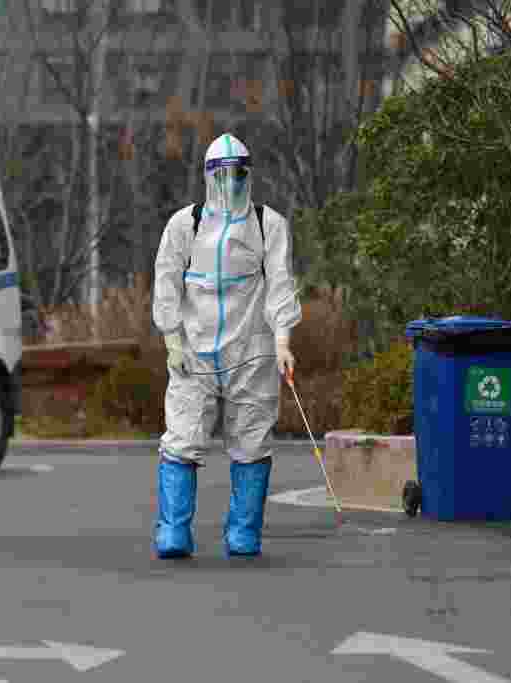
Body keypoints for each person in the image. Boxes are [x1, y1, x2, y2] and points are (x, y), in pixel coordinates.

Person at [151, 132, 302, 559]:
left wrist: (283, 341)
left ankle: (244, 533)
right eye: (223, 175)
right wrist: (171, 339)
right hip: (194, 353)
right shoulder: (185, 224)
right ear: (208, 176)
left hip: (250, 352)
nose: (231, 184)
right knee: (181, 438)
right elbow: (166, 282)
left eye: (239, 175)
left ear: (249, 176)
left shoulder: (268, 224)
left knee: (252, 441)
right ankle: (174, 532)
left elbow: (280, 287)